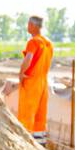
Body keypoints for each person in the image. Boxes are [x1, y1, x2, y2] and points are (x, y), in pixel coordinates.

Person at [18, 15, 53, 143]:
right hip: (44, 83)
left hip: (32, 82)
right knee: (40, 115)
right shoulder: (48, 43)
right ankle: (40, 143)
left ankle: (25, 142)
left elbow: (28, 58)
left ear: (33, 25)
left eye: (28, 24)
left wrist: (21, 73)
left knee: (27, 114)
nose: (27, 27)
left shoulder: (33, 42)